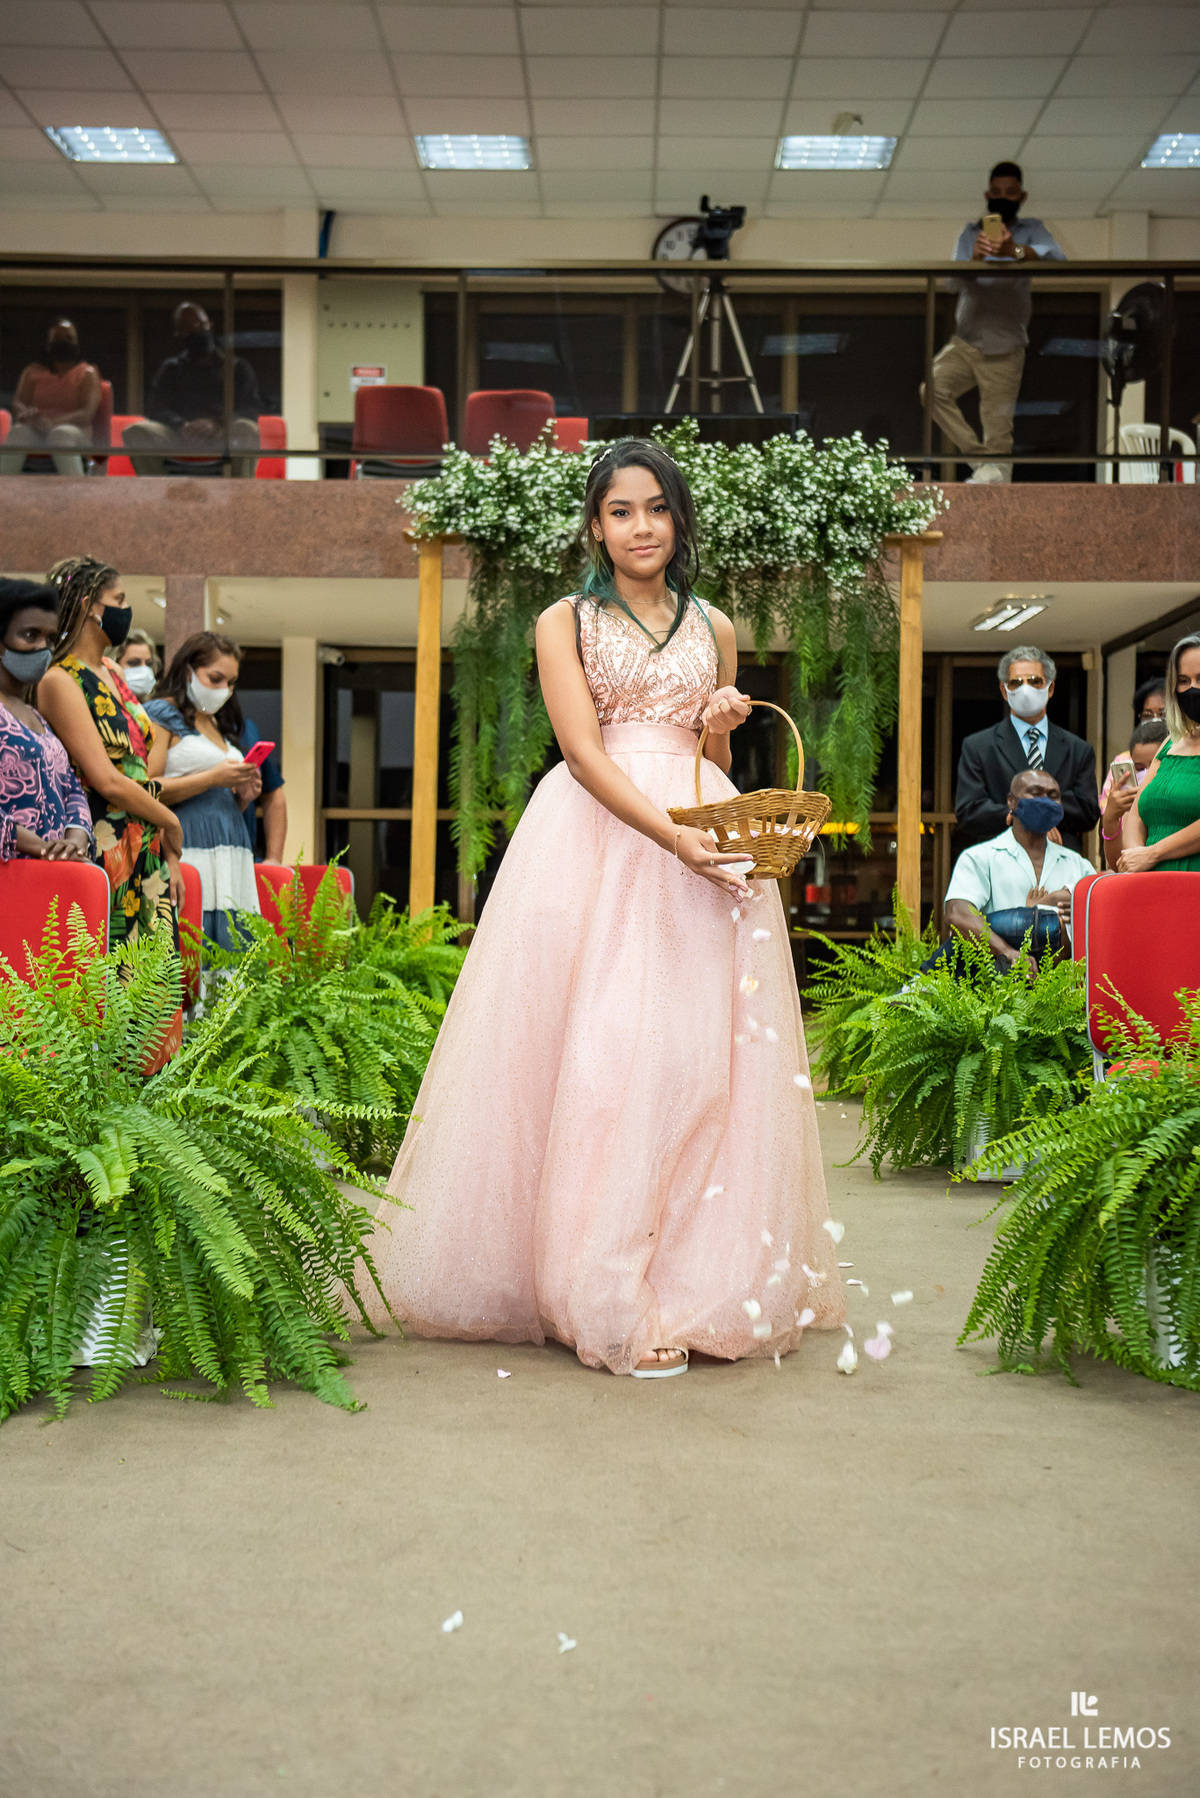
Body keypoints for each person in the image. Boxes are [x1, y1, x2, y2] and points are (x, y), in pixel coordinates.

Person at [361, 438, 845, 1378]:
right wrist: (672, 837)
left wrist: (718, 728)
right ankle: (601, 1287)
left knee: (704, 1061)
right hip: (604, 841)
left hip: (705, 844)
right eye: (620, 511)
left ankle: (702, 1278)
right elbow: (583, 754)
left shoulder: (718, 624)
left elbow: (720, 770)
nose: (640, 527)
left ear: (680, 518)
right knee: (603, 1056)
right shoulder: (564, 620)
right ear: (595, 525)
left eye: (656, 508)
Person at [37, 556, 184, 947]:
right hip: (105, 841)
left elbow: (139, 768)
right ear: (89, 606)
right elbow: (106, 779)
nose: (126, 609)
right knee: (113, 982)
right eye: (118, 599)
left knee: (157, 991)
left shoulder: (112, 671)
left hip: (145, 841)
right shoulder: (59, 680)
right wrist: (170, 819)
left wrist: (166, 848)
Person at [925, 161, 1065, 484]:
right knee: (931, 389)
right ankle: (981, 462)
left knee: (998, 430)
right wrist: (973, 260)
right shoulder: (971, 233)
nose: (1003, 197)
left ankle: (996, 489)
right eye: (997, 191)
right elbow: (951, 284)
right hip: (965, 340)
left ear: (1022, 196)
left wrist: (1013, 250)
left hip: (1006, 346)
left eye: (1010, 192)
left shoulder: (1032, 229)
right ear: (987, 194)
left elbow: (1058, 260)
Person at [145, 633, 262, 950]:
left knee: (232, 947)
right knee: (197, 945)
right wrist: (212, 777)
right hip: (188, 844)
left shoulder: (217, 721)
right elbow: (147, 788)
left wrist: (243, 796)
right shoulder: (161, 713)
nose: (224, 689)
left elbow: (215, 800)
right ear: (187, 671)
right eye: (215, 678)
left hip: (231, 846)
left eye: (231, 682)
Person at [938, 769, 1094, 972]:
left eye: (1053, 796)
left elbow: (1100, 917)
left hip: (1064, 993)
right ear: (1012, 802)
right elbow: (957, 914)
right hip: (997, 985)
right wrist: (1007, 952)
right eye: (1035, 792)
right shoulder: (980, 857)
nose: (1045, 800)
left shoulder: (1077, 864)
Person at [955, 645, 1099, 854]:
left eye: (1034, 681)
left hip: (1060, 858)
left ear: (1050, 688)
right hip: (999, 859)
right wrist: (1023, 813)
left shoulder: (1078, 749)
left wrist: (1041, 814)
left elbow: (1087, 812)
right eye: (1016, 683)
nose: (1025, 688)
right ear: (1004, 691)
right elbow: (969, 810)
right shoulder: (978, 746)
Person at [0, 578, 93, 862]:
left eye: (51, 638)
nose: (44, 647)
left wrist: (73, 842)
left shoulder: (35, 715)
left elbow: (72, 789)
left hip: (49, 878)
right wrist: (43, 848)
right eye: (30, 635)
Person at [122, 302, 262, 477]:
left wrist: (217, 423)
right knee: (135, 431)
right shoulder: (171, 368)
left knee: (247, 428)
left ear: (210, 325)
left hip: (221, 434)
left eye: (201, 325)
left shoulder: (237, 367)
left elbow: (250, 409)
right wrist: (181, 424)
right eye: (188, 329)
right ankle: (157, 495)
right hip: (179, 435)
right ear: (179, 334)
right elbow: (155, 408)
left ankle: (242, 494)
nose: (197, 331)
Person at [1116, 634, 1200, 874]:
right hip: (1151, 883)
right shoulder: (1170, 743)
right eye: (1183, 680)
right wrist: (1136, 856)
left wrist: (1153, 853)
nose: (1192, 689)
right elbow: (1136, 813)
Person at [0, 318, 102, 477]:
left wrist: (53, 423)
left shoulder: (87, 373)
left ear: (77, 343)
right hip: (37, 429)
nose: (63, 343)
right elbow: (18, 404)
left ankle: (77, 493)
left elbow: (86, 414)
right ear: (48, 344)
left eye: (68, 339)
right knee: (18, 433)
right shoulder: (32, 372)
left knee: (60, 435)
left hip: (75, 433)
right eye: (57, 339)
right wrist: (28, 415)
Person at [1099, 718, 1168, 867]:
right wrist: (1111, 819)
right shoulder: (1130, 806)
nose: (1148, 773)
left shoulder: (1181, 800)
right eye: (1139, 767)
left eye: (1156, 764)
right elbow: (1118, 865)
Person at [240, 715, 287, 862]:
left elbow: (273, 793)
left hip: (244, 853)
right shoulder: (177, 726)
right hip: (193, 847)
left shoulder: (245, 730)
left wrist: (274, 859)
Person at [111, 628, 160, 702]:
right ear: (114, 663)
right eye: (134, 663)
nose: (144, 669)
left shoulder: (155, 709)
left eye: (148, 663)